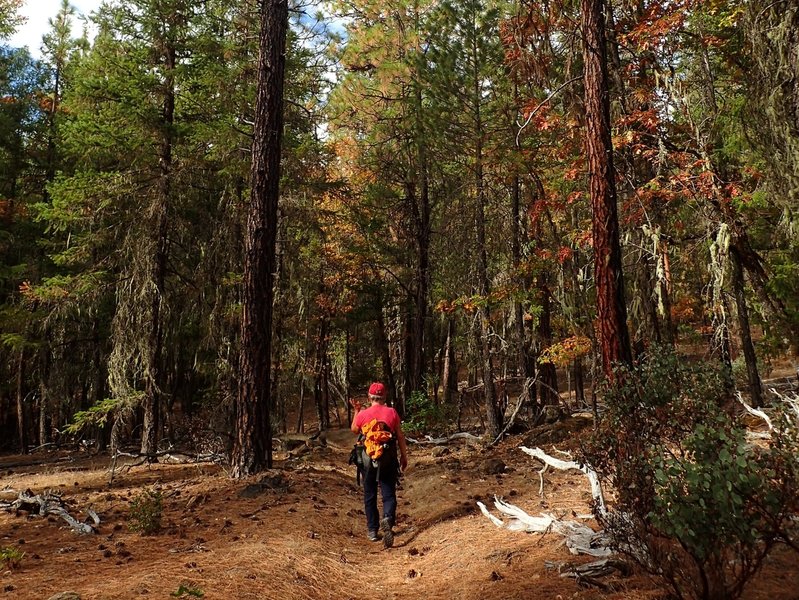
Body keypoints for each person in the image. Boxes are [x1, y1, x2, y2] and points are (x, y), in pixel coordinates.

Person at [349, 382, 408, 548]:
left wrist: (356, 411)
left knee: (370, 494)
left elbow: (354, 430)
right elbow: (400, 436)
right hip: (388, 458)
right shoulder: (392, 412)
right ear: (384, 397)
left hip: (367, 461)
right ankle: (388, 518)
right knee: (388, 493)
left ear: (369, 397)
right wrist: (404, 457)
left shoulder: (363, 414)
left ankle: (372, 530)